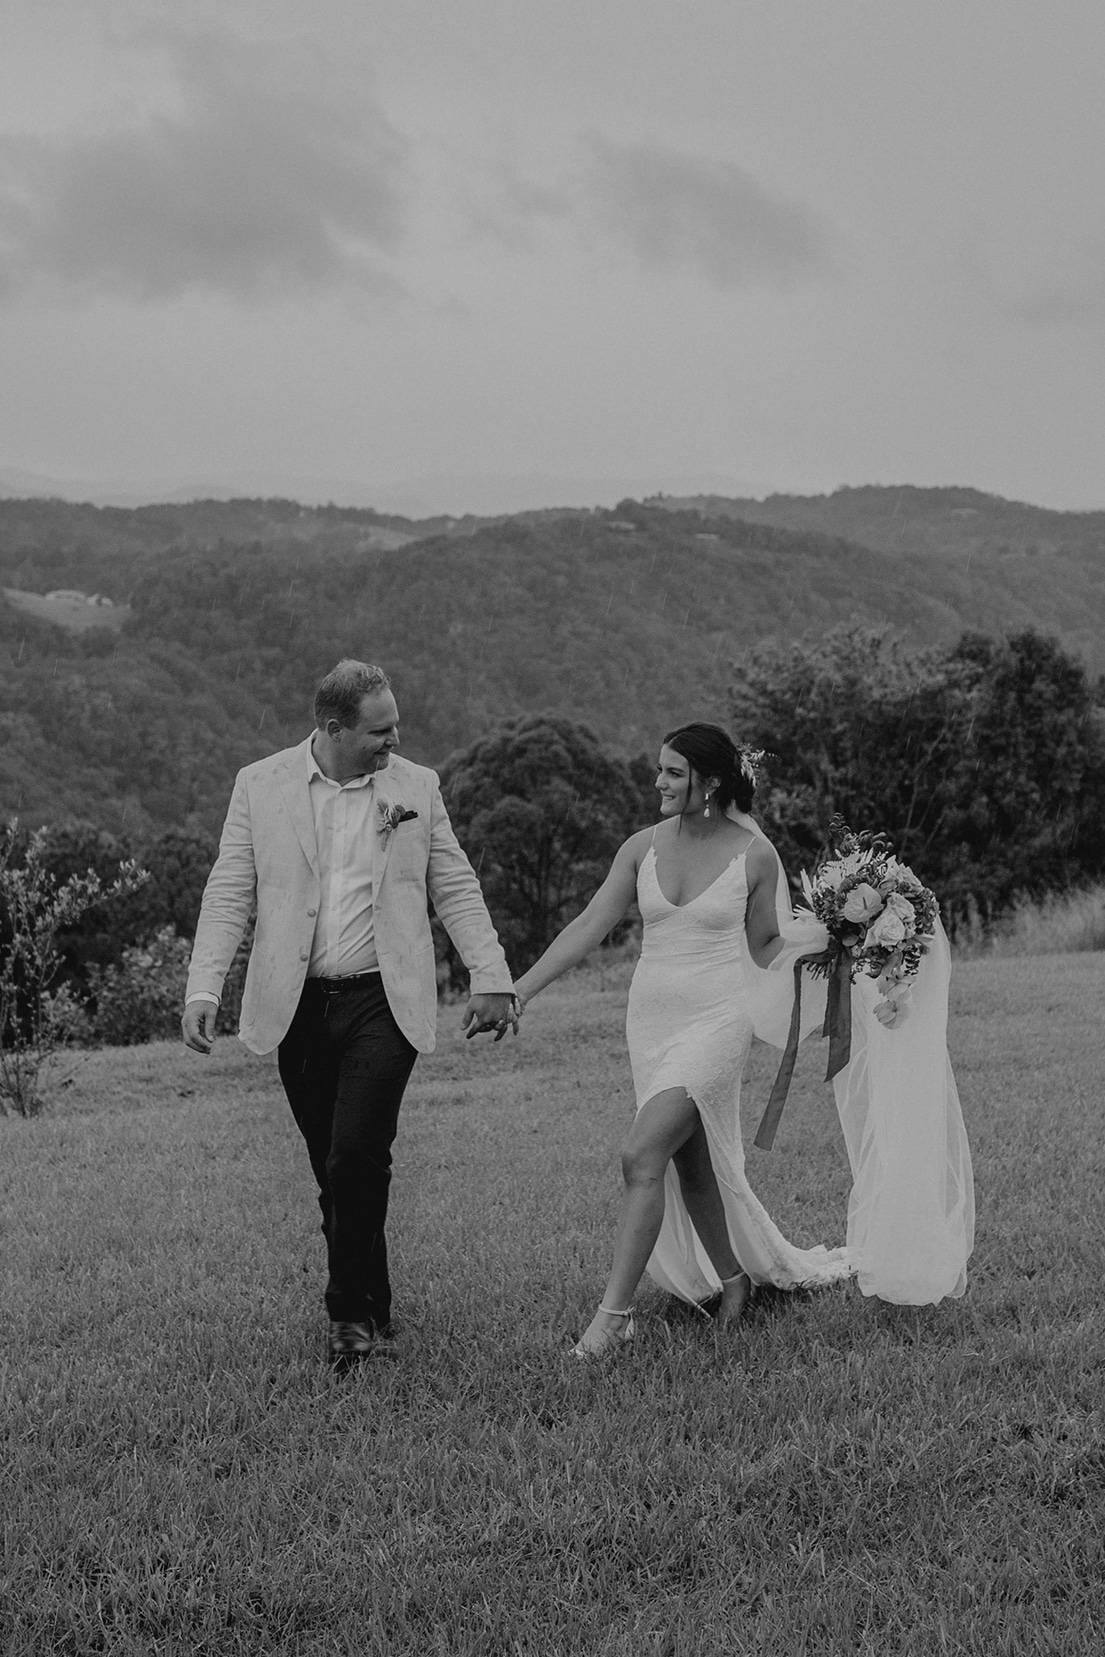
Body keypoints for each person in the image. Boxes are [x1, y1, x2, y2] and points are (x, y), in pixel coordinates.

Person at [181, 660, 516, 1363]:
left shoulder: (415, 786)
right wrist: (204, 987)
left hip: (381, 1000)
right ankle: (374, 1299)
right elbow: (228, 892)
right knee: (333, 1170)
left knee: (356, 1151)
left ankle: (346, 1320)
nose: (395, 739)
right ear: (332, 728)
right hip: (295, 1005)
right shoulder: (260, 784)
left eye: (396, 725)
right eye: (380, 729)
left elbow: (453, 883)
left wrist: (490, 975)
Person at [512, 721, 851, 1357]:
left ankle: (613, 1317)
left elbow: (767, 945)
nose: (658, 781)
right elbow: (590, 924)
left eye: (672, 771)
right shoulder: (641, 847)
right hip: (652, 1022)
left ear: (710, 780)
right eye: (660, 769)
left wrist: (838, 938)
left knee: (642, 1154)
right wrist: (520, 991)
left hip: (721, 1019)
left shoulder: (754, 856)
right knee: (691, 1160)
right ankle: (733, 1282)